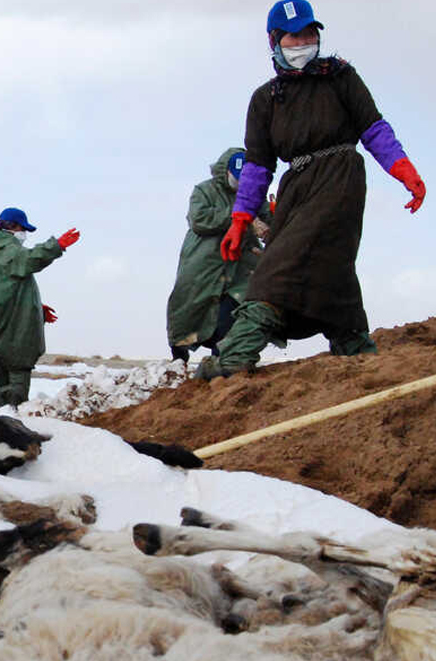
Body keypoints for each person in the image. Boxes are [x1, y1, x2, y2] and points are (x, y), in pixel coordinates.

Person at [196, 1, 425, 380]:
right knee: (328, 265)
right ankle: (351, 342)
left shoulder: (341, 77)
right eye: (293, 35)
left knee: (280, 267)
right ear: (275, 41)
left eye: (309, 33)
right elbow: (257, 166)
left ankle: (235, 355)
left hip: (340, 177)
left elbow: (374, 129)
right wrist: (240, 219)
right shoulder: (265, 99)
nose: (303, 41)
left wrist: (404, 170)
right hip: (295, 188)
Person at [0, 208, 80, 408]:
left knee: (1, 381)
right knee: (16, 381)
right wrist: (57, 245)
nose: (24, 234)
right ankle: (12, 423)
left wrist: (34, 308)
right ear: (10, 227)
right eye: (22, 228)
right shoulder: (8, 250)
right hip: (8, 335)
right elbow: (29, 259)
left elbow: (3, 290)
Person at [166, 148, 271, 362]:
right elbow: (199, 219)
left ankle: (223, 361)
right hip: (205, 263)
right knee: (188, 309)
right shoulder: (204, 191)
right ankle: (178, 358)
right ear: (226, 171)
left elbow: (269, 220)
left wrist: (276, 216)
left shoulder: (254, 195)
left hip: (241, 266)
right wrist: (241, 217)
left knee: (233, 315)